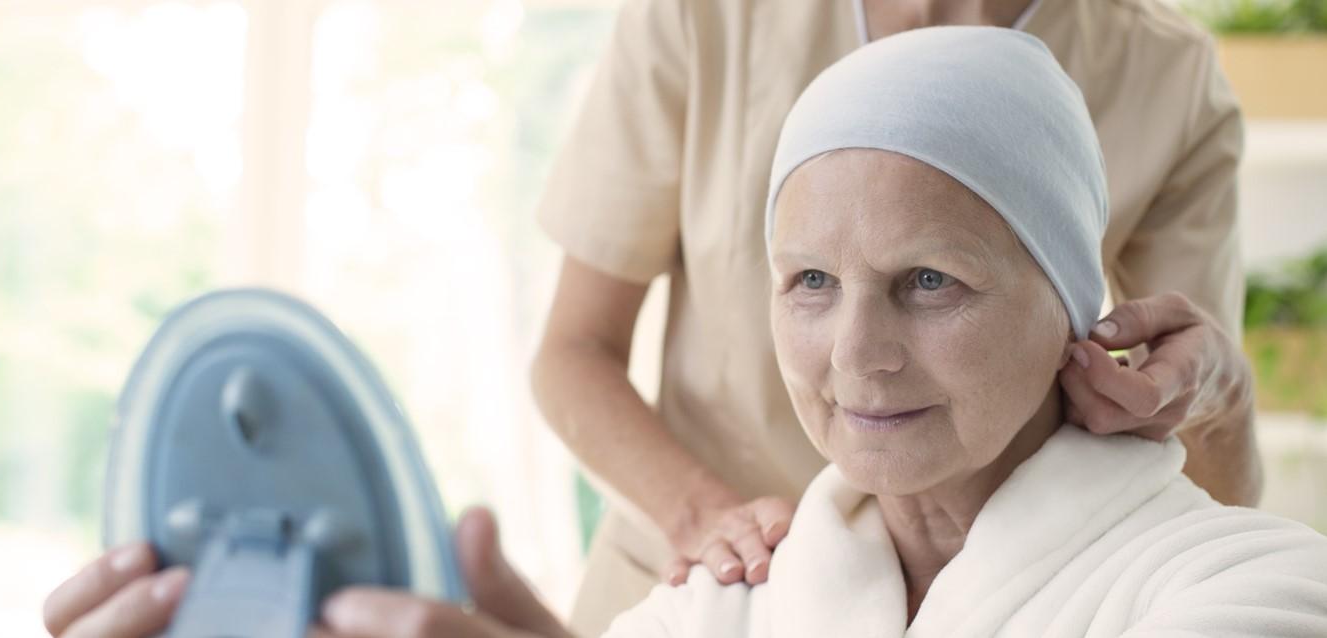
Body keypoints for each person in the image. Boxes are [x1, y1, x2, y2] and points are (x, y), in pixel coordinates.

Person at [527, 1, 1259, 633]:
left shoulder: (1169, 77)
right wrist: (718, 527)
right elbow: (575, 349)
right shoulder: (707, 17)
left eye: (931, 280)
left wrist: (1219, 410)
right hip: (714, 572)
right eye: (810, 278)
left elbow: (1184, 458)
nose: (857, 354)